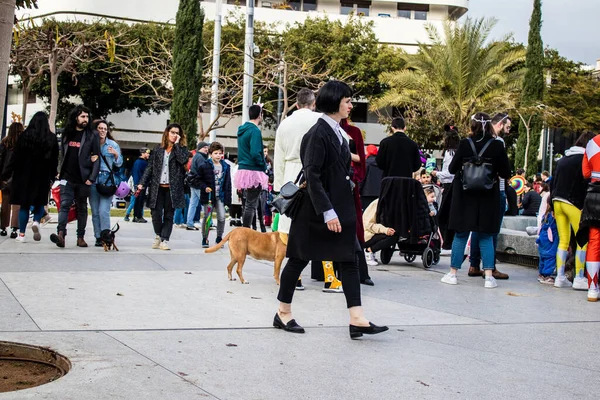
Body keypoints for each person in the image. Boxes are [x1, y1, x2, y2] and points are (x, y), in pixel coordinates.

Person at [274, 80, 388, 339]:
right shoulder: (317, 133)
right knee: (298, 260)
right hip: (317, 213)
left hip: (339, 210)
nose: (351, 105)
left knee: (349, 261)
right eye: (347, 100)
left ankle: (357, 318)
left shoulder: (337, 131)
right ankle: (283, 312)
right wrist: (328, 212)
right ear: (335, 102)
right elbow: (312, 176)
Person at [440, 112, 510, 289]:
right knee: (486, 235)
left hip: (464, 196)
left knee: (461, 234)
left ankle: (453, 273)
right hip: (488, 196)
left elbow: (452, 168)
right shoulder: (496, 145)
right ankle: (488, 277)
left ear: (472, 125)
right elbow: (506, 173)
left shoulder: (464, 144)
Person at [273, 88, 333, 291]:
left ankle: (295, 277)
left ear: (297, 104)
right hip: (315, 175)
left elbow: (278, 157)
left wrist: (279, 187)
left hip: (290, 175)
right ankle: (330, 278)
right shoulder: (320, 120)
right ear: (313, 103)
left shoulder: (284, 124)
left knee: (290, 230)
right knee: (323, 226)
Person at [467, 112, 512, 280]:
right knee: (492, 230)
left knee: (477, 229)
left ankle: (473, 264)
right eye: (507, 126)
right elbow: (505, 172)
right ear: (499, 124)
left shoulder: (473, 141)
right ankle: (490, 266)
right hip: (495, 190)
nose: (508, 130)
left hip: (474, 190)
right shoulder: (497, 142)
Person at [2, 112, 58, 242]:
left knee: (24, 206)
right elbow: (54, 159)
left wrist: (6, 173)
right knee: (39, 203)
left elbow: (15, 157)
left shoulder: (24, 136)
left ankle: (21, 234)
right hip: (42, 176)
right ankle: (36, 222)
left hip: (23, 175)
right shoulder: (51, 138)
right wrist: (52, 175)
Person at [50, 105, 100, 248]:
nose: (85, 119)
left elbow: (97, 158)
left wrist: (91, 178)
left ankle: (80, 237)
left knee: (82, 208)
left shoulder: (92, 135)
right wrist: (59, 170)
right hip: (67, 177)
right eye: (82, 116)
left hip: (84, 179)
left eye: (87, 116)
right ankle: (61, 235)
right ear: (76, 117)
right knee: (64, 205)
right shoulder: (67, 133)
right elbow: (62, 154)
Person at [551, 131, 594, 290]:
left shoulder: (564, 158)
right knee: (583, 240)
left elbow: (553, 182)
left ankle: (560, 277)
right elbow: (586, 182)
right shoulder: (584, 159)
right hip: (574, 203)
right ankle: (579, 277)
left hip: (557, 202)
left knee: (563, 240)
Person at [138, 124, 188, 250]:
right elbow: (150, 167)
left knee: (169, 215)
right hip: (157, 187)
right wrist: (142, 182)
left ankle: (165, 239)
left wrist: (176, 146)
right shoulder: (158, 149)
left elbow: (183, 161)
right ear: (167, 133)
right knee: (155, 213)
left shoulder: (182, 149)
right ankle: (158, 235)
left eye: (177, 133)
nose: (175, 135)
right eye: (172, 132)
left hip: (173, 188)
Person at [342, 118, 374, 286]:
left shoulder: (354, 132)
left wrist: (345, 154)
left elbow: (361, 159)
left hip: (350, 182)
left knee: (355, 226)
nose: (349, 105)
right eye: (346, 102)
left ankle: (360, 272)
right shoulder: (323, 127)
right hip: (331, 182)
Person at [89, 120, 123, 247]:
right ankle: (98, 237)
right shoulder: (91, 144)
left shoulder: (112, 144)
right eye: (100, 128)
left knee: (104, 211)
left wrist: (115, 155)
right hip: (93, 179)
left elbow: (119, 164)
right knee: (95, 212)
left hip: (107, 180)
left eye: (105, 128)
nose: (102, 131)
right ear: (95, 130)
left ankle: (107, 236)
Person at [236, 105, 268, 229]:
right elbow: (255, 153)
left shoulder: (242, 130)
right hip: (254, 170)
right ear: (259, 115)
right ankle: (245, 231)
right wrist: (262, 164)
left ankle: (245, 230)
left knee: (248, 204)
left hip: (243, 169)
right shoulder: (254, 131)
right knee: (251, 205)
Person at [197, 142, 231, 247]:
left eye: (220, 153)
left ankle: (219, 237)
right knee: (207, 217)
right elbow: (197, 179)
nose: (218, 155)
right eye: (215, 153)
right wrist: (204, 187)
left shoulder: (226, 166)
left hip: (220, 196)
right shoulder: (204, 166)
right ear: (210, 154)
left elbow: (228, 184)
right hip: (209, 197)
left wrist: (228, 199)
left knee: (221, 217)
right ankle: (205, 238)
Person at [433, 125, 460, 255]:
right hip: (455, 185)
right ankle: (449, 241)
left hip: (449, 185)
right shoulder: (459, 152)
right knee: (451, 214)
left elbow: (449, 172)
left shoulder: (450, 153)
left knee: (444, 215)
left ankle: (446, 242)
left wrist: (436, 174)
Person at [581, 132, 600, 301]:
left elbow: (586, 173)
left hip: (594, 195)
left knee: (594, 241)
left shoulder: (592, 142)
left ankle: (593, 288)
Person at [0, 122, 23, 238]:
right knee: (17, 205)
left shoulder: (4, 143)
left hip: (5, 177)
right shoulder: (23, 143)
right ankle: (15, 228)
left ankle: (3, 227)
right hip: (18, 178)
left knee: (5, 203)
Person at [363, 199, 398, 266]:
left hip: (378, 232)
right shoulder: (377, 204)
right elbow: (368, 224)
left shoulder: (393, 203)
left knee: (394, 235)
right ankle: (369, 251)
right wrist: (385, 230)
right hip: (367, 234)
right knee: (392, 237)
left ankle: (372, 251)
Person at [536, 196, 558, 285]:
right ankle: (547, 275)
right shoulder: (554, 216)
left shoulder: (546, 215)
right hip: (550, 240)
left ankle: (541, 274)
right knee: (550, 256)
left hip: (542, 239)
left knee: (543, 257)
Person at [125, 148, 150, 223]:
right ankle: (138, 216)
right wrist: (142, 183)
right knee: (140, 201)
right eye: (147, 153)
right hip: (140, 184)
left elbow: (132, 172)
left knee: (136, 201)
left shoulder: (136, 162)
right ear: (142, 153)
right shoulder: (143, 163)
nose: (148, 154)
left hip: (136, 184)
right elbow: (144, 174)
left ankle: (135, 216)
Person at [360, 144, 382, 211]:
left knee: (367, 212)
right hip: (379, 192)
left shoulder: (366, 163)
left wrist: (358, 190)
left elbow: (361, 178)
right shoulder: (382, 163)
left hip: (366, 193)